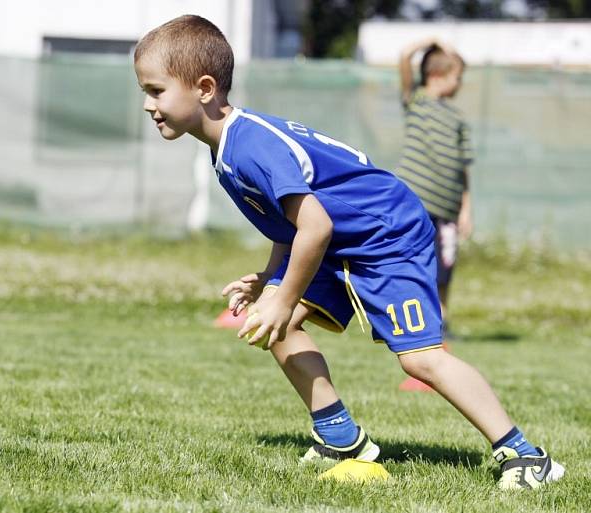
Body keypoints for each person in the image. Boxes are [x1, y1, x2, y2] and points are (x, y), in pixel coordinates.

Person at [133, 14, 563, 490]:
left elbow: (315, 226)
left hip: (387, 236)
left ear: (205, 87)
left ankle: (526, 456)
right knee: (273, 324)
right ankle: (341, 438)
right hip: (345, 240)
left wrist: (281, 294)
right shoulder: (227, 147)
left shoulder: (250, 145)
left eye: (156, 90)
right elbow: (291, 224)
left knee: (420, 359)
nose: (148, 104)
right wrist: (268, 280)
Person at [396, 38, 473, 339]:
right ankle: (409, 319)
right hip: (416, 202)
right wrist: (434, 42)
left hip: (449, 208)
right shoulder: (416, 99)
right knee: (415, 262)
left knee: (445, 266)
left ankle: (441, 320)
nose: (460, 84)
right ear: (437, 75)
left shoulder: (458, 117)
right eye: (458, 77)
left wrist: (466, 208)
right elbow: (404, 55)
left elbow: (464, 167)